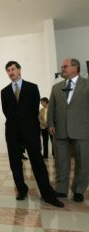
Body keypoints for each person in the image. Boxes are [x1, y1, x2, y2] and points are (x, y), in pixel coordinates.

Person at [0, 61, 64, 207]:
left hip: (30, 131)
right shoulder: (4, 91)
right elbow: (7, 112)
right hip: (12, 132)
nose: (11, 72)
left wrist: (25, 124)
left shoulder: (32, 87)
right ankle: (21, 190)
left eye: (13, 69)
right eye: (8, 70)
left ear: (19, 70)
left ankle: (47, 194)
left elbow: (33, 109)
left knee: (38, 162)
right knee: (15, 163)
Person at [47, 58, 89, 202]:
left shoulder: (87, 84)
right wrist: (50, 124)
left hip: (83, 130)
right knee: (61, 162)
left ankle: (78, 190)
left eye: (65, 66)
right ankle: (61, 189)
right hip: (60, 130)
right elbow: (51, 107)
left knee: (83, 162)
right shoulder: (56, 87)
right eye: (62, 67)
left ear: (75, 68)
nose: (62, 69)